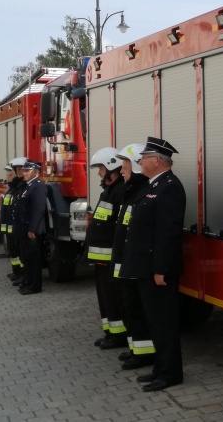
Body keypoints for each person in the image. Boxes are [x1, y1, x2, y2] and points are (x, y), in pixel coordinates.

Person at [121, 137, 185, 392]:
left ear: (156, 160)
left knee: (164, 323)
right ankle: (161, 368)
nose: (139, 162)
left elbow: (167, 233)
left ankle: (171, 374)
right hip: (146, 267)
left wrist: (160, 269)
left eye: (143, 158)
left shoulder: (169, 187)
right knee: (155, 322)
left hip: (157, 269)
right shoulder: (154, 185)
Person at [113, 143, 156, 370]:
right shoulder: (131, 192)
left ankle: (144, 354)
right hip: (124, 261)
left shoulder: (141, 193)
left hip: (133, 263)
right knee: (129, 307)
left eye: (125, 165)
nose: (121, 170)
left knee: (137, 309)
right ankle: (135, 349)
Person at [86, 147, 128, 350]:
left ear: (112, 167)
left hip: (111, 259)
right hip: (101, 260)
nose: (99, 173)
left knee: (113, 298)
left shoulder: (120, 191)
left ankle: (118, 336)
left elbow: (121, 228)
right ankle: (110, 332)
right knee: (105, 298)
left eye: (101, 168)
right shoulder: (109, 191)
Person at [12, 161, 48, 295]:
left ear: (36, 172)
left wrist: (32, 229)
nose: (24, 173)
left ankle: (34, 286)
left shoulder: (38, 186)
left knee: (33, 260)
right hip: (24, 229)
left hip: (32, 230)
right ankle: (28, 282)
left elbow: (38, 210)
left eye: (28, 171)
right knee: (26, 259)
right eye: (24, 170)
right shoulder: (28, 186)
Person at [2, 158, 27, 283]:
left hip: (15, 228)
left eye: (11, 173)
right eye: (9, 173)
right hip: (10, 228)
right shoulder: (11, 189)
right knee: (13, 252)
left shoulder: (19, 188)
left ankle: (22, 274)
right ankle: (16, 272)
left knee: (19, 252)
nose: (9, 175)